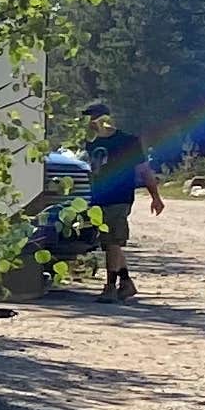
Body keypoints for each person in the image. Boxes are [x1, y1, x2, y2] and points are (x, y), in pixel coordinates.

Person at [78, 99, 166, 299]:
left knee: (112, 242)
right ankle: (126, 283)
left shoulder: (127, 141)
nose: (89, 124)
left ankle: (110, 287)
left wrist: (156, 197)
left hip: (119, 196)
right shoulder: (89, 143)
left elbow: (144, 170)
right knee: (111, 243)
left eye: (91, 119)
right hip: (98, 198)